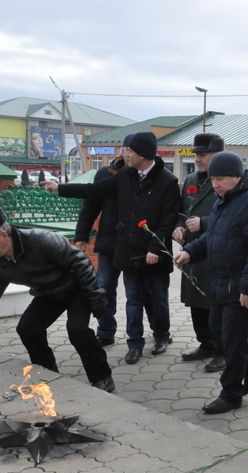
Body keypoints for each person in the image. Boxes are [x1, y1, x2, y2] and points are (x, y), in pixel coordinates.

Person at [0, 206, 114, 391]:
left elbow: (80, 262)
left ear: (3, 235)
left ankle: (102, 377)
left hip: (76, 290)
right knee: (27, 328)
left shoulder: (42, 240)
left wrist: (95, 298)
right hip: (48, 294)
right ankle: (48, 373)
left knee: (77, 329)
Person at [46, 132, 180, 365]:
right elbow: (93, 191)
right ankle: (134, 344)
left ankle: (161, 336)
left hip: (155, 253)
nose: (124, 153)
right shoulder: (125, 176)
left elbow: (168, 220)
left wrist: (155, 249)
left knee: (157, 297)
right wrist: (59, 189)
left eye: (129, 150)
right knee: (133, 299)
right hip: (127, 251)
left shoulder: (168, 181)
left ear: (142, 154)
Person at [174, 152, 248, 414]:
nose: (216, 184)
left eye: (221, 179)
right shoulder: (224, 200)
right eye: (213, 179)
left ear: (237, 177)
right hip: (222, 281)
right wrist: (190, 251)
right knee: (221, 332)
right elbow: (213, 236)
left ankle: (231, 393)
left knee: (232, 340)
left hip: (241, 286)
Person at [73, 134, 145, 347]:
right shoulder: (105, 174)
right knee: (103, 288)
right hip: (109, 243)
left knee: (135, 293)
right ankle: (105, 330)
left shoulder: (144, 176)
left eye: (131, 149)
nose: (127, 152)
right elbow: (90, 207)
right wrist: (81, 236)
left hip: (134, 245)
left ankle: (138, 337)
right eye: (125, 148)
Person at [173, 133, 224, 372]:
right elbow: (182, 211)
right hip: (192, 250)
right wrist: (179, 227)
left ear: (217, 155)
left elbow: (231, 216)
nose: (198, 158)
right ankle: (205, 343)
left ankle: (222, 350)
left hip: (214, 251)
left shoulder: (225, 181)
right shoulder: (191, 179)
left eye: (203, 154)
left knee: (215, 302)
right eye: (196, 154)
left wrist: (203, 222)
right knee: (196, 301)